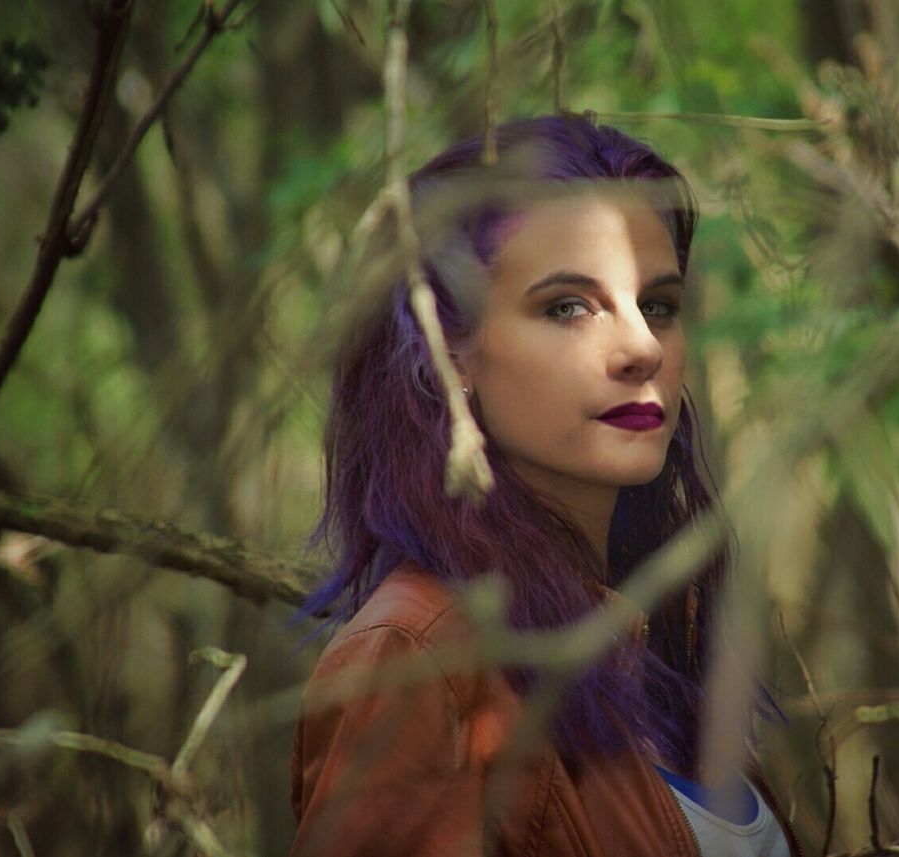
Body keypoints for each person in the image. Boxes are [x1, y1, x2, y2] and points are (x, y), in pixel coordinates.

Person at [290, 114, 800, 857]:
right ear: (449, 350)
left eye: (657, 304)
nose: (640, 346)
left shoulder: (656, 630)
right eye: (568, 306)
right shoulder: (417, 662)